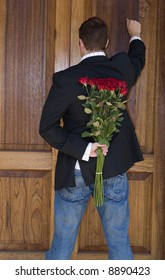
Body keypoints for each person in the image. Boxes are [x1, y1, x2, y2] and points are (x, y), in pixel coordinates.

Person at [39, 17, 146, 260]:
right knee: (120, 247)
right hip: (113, 169)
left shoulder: (65, 80)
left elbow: (47, 128)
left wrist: (85, 149)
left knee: (61, 248)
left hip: (74, 170)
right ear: (107, 42)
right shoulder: (122, 68)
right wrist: (135, 35)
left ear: (80, 44)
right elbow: (137, 59)